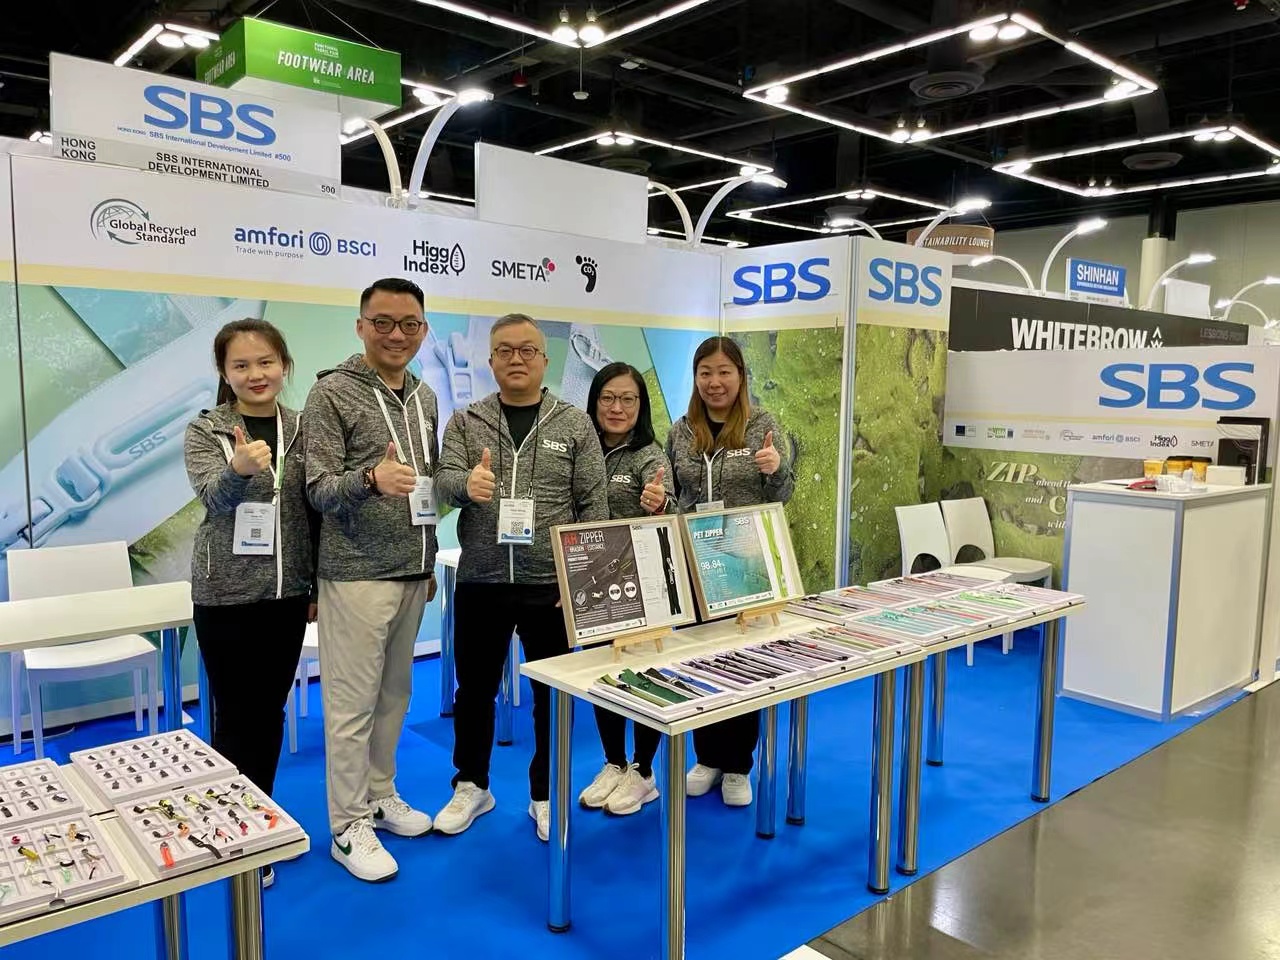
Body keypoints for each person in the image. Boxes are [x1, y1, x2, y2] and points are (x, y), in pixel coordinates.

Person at [434, 313, 608, 841]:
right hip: (481, 580)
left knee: (551, 695)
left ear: (544, 359)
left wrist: (579, 580)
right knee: (474, 691)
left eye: (527, 350)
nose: (516, 359)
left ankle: (546, 793)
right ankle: (471, 784)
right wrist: (466, 484)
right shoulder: (467, 421)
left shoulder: (573, 423)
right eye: (505, 350)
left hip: (549, 587)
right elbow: (442, 482)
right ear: (490, 360)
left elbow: (593, 505)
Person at [303, 278, 440, 883]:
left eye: (408, 324)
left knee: (394, 697)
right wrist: (369, 480)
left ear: (423, 331)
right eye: (382, 322)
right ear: (361, 326)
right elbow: (317, 488)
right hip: (356, 573)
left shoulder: (425, 396)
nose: (395, 335)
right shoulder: (331, 393)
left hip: (412, 569)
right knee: (351, 705)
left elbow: (427, 484)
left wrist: (427, 559)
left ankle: (381, 795)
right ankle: (347, 825)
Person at [184, 318, 318, 890]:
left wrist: (313, 585)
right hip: (225, 597)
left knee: (269, 714)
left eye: (266, 362)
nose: (255, 374)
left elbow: (315, 509)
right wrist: (237, 471)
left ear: (284, 366)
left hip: (286, 596)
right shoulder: (206, 429)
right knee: (235, 716)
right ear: (224, 372)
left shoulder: (304, 427)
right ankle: (231, 833)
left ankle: (260, 822)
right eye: (241, 365)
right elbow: (212, 498)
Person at [666, 335, 794, 806]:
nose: (714, 382)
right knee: (700, 661)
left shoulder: (763, 425)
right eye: (706, 373)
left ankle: (739, 764)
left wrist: (775, 469)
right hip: (694, 563)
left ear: (740, 376)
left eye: (724, 372)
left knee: (743, 664)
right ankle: (707, 756)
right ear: (695, 378)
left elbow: (783, 494)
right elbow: (674, 493)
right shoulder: (681, 431)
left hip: (745, 564)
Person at [576, 362, 675, 816]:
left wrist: (659, 502)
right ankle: (614, 763)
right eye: (608, 398)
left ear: (641, 405)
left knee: (645, 675)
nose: (617, 408)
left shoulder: (649, 455)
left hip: (642, 588)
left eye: (628, 399)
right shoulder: (582, 448)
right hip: (593, 584)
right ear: (595, 401)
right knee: (603, 674)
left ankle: (644, 770)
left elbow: (669, 502)